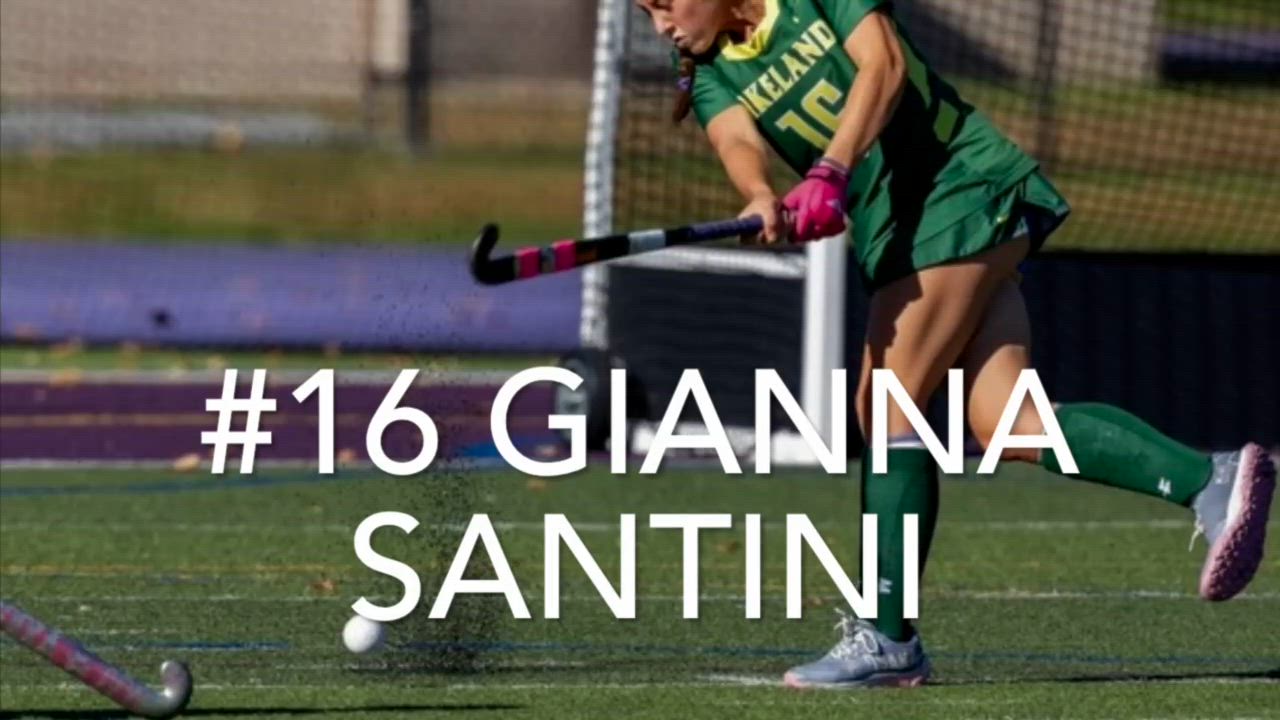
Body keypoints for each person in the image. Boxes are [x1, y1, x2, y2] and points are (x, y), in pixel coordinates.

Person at [635, 0, 1276, 688]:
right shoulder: (708, 66)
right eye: (645, 11)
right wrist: (761, 194)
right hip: (898, 230)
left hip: (954, 188)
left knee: (886, 403)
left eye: (663, 3)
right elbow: (737, 139)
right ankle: (1205, 478)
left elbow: (884, 65)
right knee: (1008, 424)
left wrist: (830, 171)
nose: (660, 24)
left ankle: (887, 636)